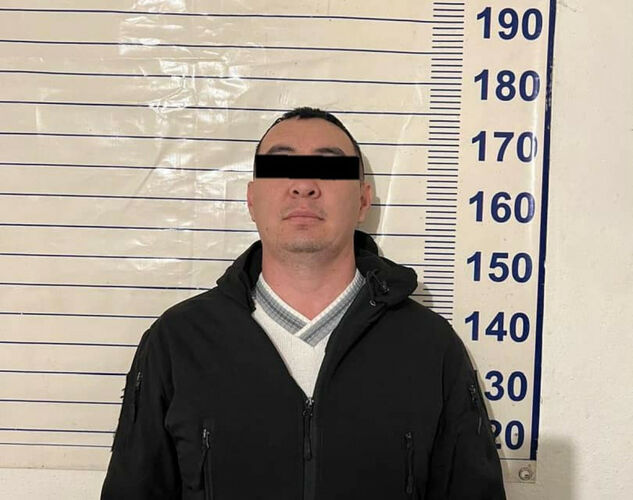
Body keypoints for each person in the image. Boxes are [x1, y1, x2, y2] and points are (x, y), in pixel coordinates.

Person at [101, 107, 506, 499]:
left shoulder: (429, 347)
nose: (304, 185)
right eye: (280, 166)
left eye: (329, 167)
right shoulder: (178, 342)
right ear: (252, 199)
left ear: (363, 201)